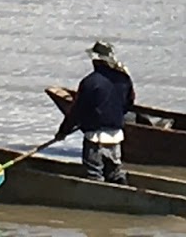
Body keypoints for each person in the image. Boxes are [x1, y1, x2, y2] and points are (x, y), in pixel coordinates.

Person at [54, 39, 136, 184]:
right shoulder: (124, 79)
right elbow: (128, 104)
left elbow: (76, 111)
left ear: (95, 60)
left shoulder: (90, 82)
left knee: (94, 175)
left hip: (95, 139)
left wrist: (63, 131)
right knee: (115, 173)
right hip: (116, 136)